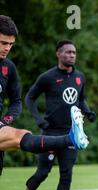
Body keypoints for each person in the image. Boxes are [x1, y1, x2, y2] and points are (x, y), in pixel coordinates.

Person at [17, 39, 96, 190]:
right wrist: (38, 119)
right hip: (50, 133)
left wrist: (88, 111)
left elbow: (80, 99)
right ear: (58, 54)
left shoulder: (80, 77)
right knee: (43, 172)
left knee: (66, 174)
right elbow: (30, 97)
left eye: (74, 53)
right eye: (68, 52)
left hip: (71, 134)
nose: (72, 55)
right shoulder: (48, 77)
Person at [0, 15, 88, 178]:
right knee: (19, 137)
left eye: (11, 44)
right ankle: (70, 139)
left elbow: (16, 103)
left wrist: (3, 122)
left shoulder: (8, 68)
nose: (7, 48)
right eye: (3, 43)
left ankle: (72, 139)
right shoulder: (48, 77)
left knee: (20, 135)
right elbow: (30, 98)